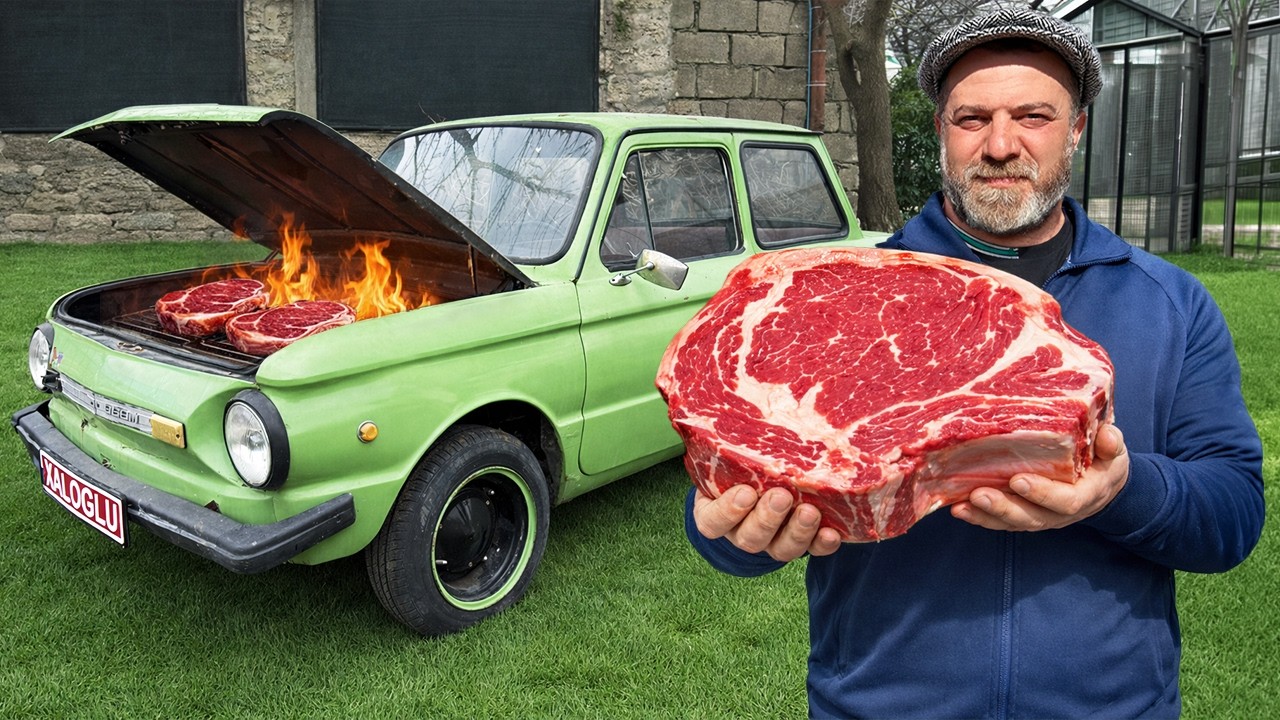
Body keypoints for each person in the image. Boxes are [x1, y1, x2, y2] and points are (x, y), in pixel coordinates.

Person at [683, 8, 1265, 718]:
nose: (1000, 144)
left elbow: (1233, 513)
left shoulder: (1169, 303)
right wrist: (737, 535)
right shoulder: (845, 295)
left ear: (1076, 128)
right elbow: (728, 491)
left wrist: (1121, 491)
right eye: (972, 119)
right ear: (941, 131)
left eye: (1033, 116)